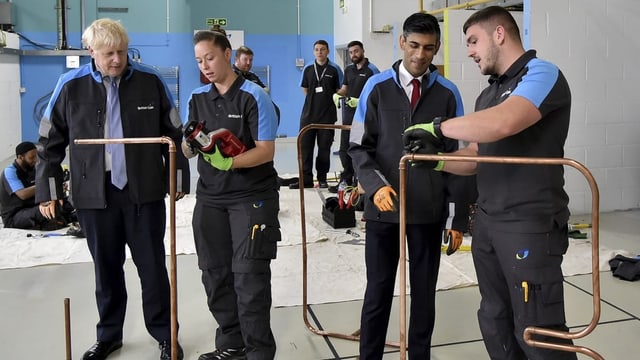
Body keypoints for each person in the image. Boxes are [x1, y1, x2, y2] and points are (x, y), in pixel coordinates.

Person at [407, 6, 576, 359]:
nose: (469, 50)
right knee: (496, 321)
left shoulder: (541, 74)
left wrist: (438, 128)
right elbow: (478, 156)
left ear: (499, 34)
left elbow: (505, 122)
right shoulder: (488, 94)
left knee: (537, 332)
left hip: (528, 226)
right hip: (488, 223)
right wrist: (437, 161)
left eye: (473, 40)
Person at [35, 18, 190, 360]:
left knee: (151, 268)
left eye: (121, 52)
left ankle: (165, 334)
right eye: (108, 53)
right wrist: (47, 190)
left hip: (143, 192)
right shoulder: (69, 85)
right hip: (94, 195)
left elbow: (174, 134)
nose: (117, 60)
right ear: (91, 51)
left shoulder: (151, 82)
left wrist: (177, 178)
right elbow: (49, 142)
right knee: (106, 269)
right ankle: (109, 336)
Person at [348, 12, 473, 359]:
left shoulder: (448, 94)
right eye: (414, 45)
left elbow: (459, 157)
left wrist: (457, 218)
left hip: (428, 213)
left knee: (424, 294)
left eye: (429, 48)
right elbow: (358, 146)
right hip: (383, 210)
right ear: (401, 42)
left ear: (437, 50)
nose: (420, 55)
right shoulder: (374, 87)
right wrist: (374, 187)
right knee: (378, 291)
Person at [184, 30, 281, 360]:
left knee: (249, 279)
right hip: (210, 199)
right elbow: (187, 150)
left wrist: (230, 162)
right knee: (215, 275)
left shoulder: (254, 96)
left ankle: (258, 353)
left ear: (228, 54)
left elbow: (267, 151)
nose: (205, 66)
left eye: (210, 58)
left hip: (250, 197)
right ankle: (232, 345)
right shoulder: (197, 97)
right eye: (199, 61)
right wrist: (189, 144)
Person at [291, 39, 343, 189]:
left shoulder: (335, 69)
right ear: (313, 52)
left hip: (327, 117)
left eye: (322, 49)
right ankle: (305, 179)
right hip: (308, 116)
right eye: (317, 49)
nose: (319, 52)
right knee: (305, 149)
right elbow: (305, 89)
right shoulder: (308, 69)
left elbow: (341, 88)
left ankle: (322, 178)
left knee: (324, 150)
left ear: (328, 51)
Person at [329, 40, 379, 193]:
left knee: (359, 151)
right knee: (345, 150)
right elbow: (345, 88)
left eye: (356, 51)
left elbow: (377, 93)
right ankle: (346, 180)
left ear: (363, 51)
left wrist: (360, 102)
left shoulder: (372, 70)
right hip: (348, 118)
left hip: (363, 118)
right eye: (351, 52)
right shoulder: (349, 69)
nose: (353, 55)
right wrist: (337, 95)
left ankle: (361, 183)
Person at [0, 141, 70, 230]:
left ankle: (59, 218)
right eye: (31, 157)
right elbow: (23, 194)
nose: (35, 160)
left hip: (33, 207)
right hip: (15, 216)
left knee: (63, 203)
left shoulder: (33, 168)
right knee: (46, 211)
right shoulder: (9, 172)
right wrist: (44, 186)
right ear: (20, 157)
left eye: (36, 157)